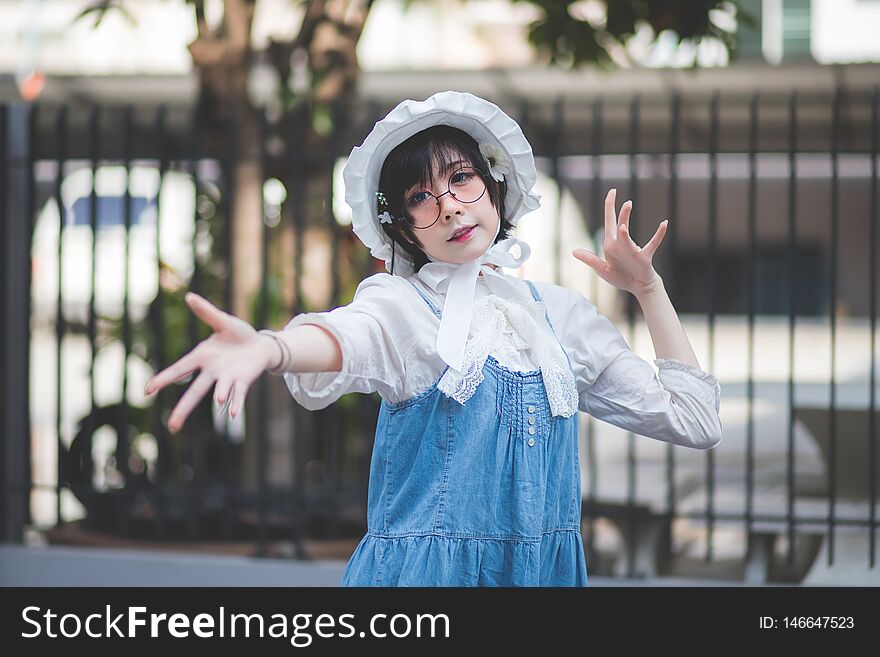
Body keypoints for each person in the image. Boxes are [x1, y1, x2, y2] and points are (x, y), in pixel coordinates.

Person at [144, 91, 722, 587]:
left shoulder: (561, 317)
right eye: (420, 197)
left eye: (461, 178)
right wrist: (272, 348)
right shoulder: (404, 305)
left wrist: (649, 289)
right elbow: (348, 336)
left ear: (495, 187)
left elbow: (695, 421)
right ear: (402, 229)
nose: (447, 207)